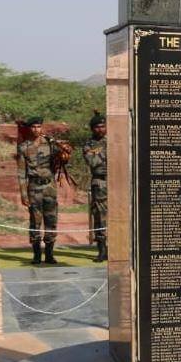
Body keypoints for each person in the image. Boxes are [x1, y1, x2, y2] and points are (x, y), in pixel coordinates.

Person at [16, 116, 61, 264]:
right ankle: (36, 254)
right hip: (34, 187)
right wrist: (23, 194)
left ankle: (49, 254)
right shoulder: (24, 147)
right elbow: (22, 174)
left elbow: (61, 158)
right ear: (29, 129)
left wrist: (62, 150)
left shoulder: (50, 144)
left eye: (38, 126)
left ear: (42, 128)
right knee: (35, 221)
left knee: (51, 220)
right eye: (33, 127)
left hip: (50, 186)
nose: (36, 129)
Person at [83, 111, 108, 262]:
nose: (101, 129)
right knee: (100, 217)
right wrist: (107, 150)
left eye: (103, 126)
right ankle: (102, 250)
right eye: (97, 127)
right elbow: (92, 162)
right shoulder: (89, 144)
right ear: (92, 129)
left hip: (118, 181)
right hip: (100, 182)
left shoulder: (114, 139)